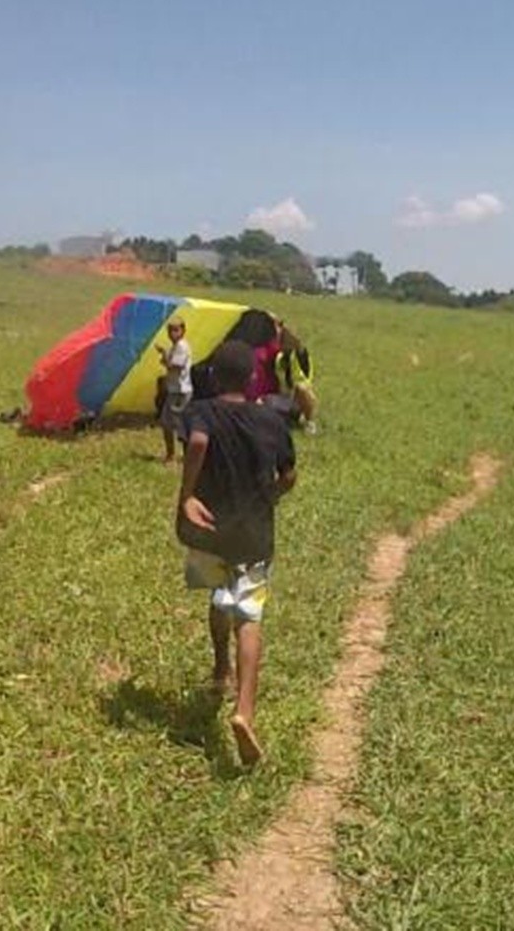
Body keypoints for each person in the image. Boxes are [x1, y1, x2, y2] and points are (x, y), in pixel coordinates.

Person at [176, 340, 297, 767]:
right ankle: (244, 711)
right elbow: (289, 475)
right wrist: (270, 496)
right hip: (254, 533)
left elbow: (196, 444)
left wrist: (187, 495)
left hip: (210, 527)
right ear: (250, 378)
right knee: (250, 615)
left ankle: (219, 669)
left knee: (217, 593)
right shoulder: (271, 419)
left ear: (213, 375)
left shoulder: (202, 411)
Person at [156, 318, 192, 463]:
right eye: (170, 330)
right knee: (177, 424)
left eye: (176, 330)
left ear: (183, 330)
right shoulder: (176, 346)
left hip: (180, 391)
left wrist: (164, 354)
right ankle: (182, 455)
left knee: (171, 424)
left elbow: (174, 366)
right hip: (176, 390)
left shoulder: (181, 347)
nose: (172, 333)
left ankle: (174, 455)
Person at [274, 326, 318, 434]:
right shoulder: (279, 358)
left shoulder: (300, 356)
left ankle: (309, 422)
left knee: (301, 388)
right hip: (283, 398)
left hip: (298, 399)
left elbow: (300, 348)